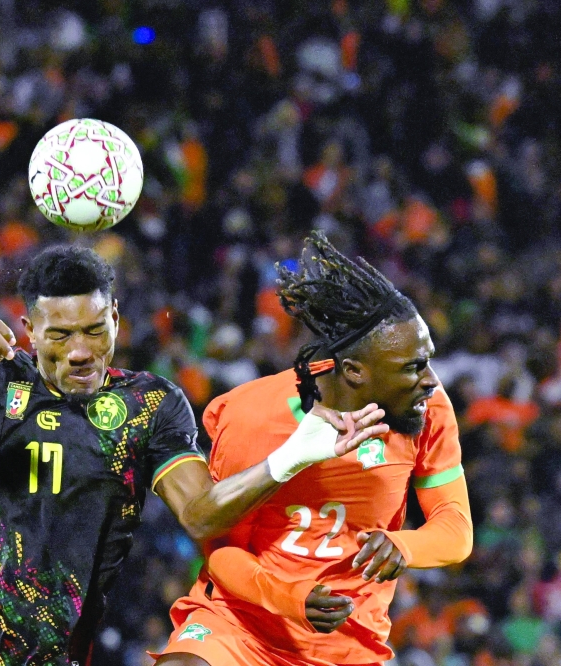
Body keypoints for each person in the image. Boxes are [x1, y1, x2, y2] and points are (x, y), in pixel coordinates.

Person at [0, 245, 388, 665]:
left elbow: (199, 514)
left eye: (95, 330)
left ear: (117, 319)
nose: (80, 351)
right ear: (30, 330)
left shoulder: (150, 405)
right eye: (60, 336)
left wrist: (290, 457)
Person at [155, 232, 473, 666]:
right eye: (413, 367)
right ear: (355, 372)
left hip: (347, 643)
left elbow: (456, 529)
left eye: (429, 359)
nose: (432, 380)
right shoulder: (254, 415)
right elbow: (221, 550)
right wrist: (288, 596)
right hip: (241, 625)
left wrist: (404, 545)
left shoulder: (427, 410)